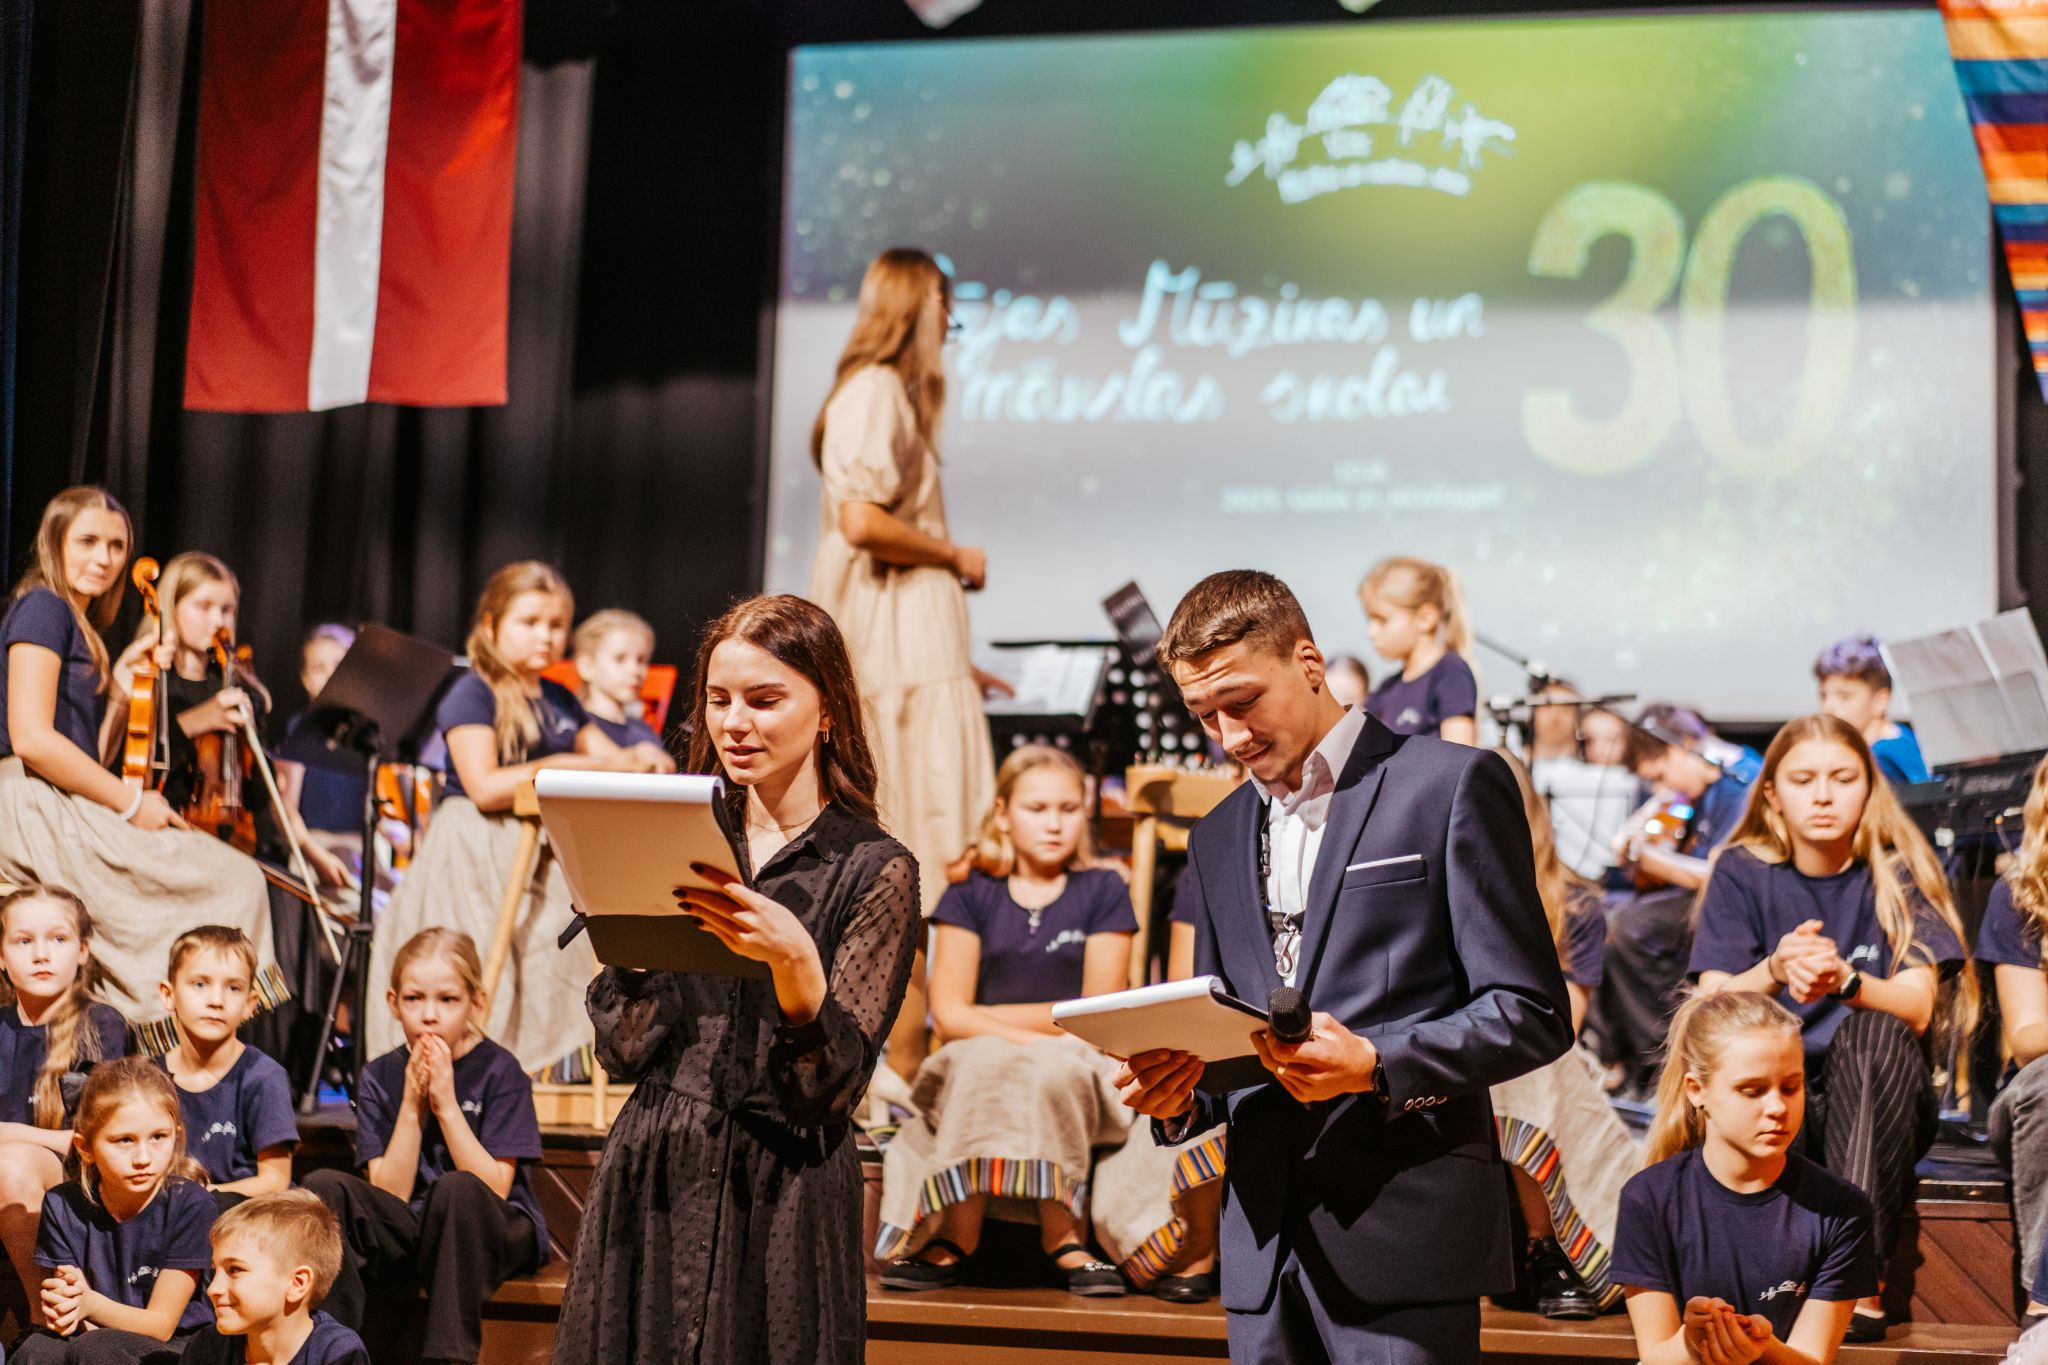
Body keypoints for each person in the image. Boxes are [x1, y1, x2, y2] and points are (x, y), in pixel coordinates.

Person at [1113, 570, 1572, 1364]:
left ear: (1309, 662)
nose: (1229, 734)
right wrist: (1179, 1095)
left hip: (1405, 1233)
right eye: (1205, 714)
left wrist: (1376, 1063)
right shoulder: (1216, 833)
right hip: (1262, 1251)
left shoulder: (1450, 784)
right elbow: (1230, 1039)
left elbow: (1532, 1010)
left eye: (1243, 700)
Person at [553, 594, 922, 1365]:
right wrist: (631, 939)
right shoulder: (675, 831)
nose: (735, 723)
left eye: (764, 699)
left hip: (785, 1189)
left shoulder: (872, 868)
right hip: (658, 1168)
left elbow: (822, 1096)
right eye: (719, 700)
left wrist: (796, 969)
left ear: (828, 710)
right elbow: (623, 1051)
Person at [1688, 714, 1974, 1342]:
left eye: (1842, 779)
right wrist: (1775, 967)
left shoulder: (1901, 871)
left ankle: (1853, 1281)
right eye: (1804, 780)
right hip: (1781, 1099)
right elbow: (1710, 1003)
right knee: (1751, 1059)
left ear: (1868, 788)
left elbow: (1918, 1007)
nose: (1823, 796)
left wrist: (1845, 981)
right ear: (1772, 794)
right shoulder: (1741, 870)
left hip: (1878, 1101)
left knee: (1872, 1033)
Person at [807, 247, 999, 1082]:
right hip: (892, 643)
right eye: (945, 305)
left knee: (920, 857)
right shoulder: (876, 390)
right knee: (910, 853)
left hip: (913, 643)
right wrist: (955, 554)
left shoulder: (886, 394)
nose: (951, 322)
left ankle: (901, 1079)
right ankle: (889, 1082)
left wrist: (959, 659)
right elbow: (860, 520)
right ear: (919, 304)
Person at [0, 487, 286, 1021]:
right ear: (54, 543)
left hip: (56, 798)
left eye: (116, 546)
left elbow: (91, 752)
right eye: (88, 541)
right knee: (235, 878)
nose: (104, 558)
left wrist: (123, 689)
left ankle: (181, 1033)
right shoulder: (43, 607)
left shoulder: (80, 624)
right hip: (28, 802)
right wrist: (131, 804)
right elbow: (31, 738)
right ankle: (180, 1031)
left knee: (234, 874)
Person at [364, 561, 660, 1076]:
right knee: (482, 956)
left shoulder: (559, 698)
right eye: (530, 622)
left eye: (556, 624)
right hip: (478, 846)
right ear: (492, 623)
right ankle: (467, 1072)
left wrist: (642, 757)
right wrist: (561, 765)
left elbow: (610, 758)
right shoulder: (474, 692)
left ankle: (530, 1072)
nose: (546, 636)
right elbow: (483, 785)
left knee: (562, 944)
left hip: (539, 848)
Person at [877, 745, 1137, 1296]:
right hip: (983, 1053)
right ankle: (959, 1235)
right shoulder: (970, 893)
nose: (1054, 823)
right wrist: (1033, 1034)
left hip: (1075, 1058)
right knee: (986, 1063)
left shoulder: (1104, 890)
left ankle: (1064, 1236)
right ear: (1002, 814)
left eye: (1068, 809)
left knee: (1049, 1069)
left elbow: (1098, 1012)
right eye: (1037, 809)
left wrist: (995, 1021)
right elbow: (949, 1015)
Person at [304, 928, 548, 1365]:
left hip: (489, 1228)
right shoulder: (380, 1074)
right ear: (393, 1003)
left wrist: (447, 1104)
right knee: (324, 1185)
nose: (429, 1015)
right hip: (415, 1223)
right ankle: (328, 1351)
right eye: (414, 999)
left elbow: (495, 1186)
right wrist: (412, 1103)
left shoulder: (500, 1069)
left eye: (447, 1000)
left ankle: (446, 1358)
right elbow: (390, 1192)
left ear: (476, 1003)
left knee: (455, 1189)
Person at [1610, 991, 1878, 1365]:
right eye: (1751, 1091)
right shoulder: (1648, 1198)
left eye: (1791, 1087)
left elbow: (1813, 1359)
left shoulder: (1841, 1209)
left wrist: (1761, 1347)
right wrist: (1691, 1341)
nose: (1777, 1107)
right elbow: (1654, 1357)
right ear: (1697, 1091)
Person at [1487, 752, 1641, 1321]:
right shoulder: (1424, 888)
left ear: (1527, 810)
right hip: (1447, 1053)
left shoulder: (1573, 902)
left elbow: (1561, 1023)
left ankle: (1547, 1246)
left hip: (1528, 1052)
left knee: (1530, 1057)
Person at [108, 553, 349, 889]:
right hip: (164, 838)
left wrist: (310, 851)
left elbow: (265, 790)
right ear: (171, 608)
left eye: (227, 610)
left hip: (237, 843)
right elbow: (128, 770)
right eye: (203, 606)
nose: (217, 621)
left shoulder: (239, 687)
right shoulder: (150, 681)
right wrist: (198, 721)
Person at [1598, 704, 1761, 1098]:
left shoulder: (1741, 783)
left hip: (1733, 906)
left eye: (1661, 776)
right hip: (1697, 899)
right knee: (1596, 915)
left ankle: (1660, 1064)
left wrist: (1650, 858)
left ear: (1679, 749)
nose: (1663, 788)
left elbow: (1720, 875)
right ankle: (1617, 1057)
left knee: (1629, 929)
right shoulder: (1701, 790)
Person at [16, 1057, 219, 1363]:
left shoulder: (191, 1205)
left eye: (159, 1137)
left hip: (177, 1345)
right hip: (96, 1335)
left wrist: (90, 1306)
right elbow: (76, 1305)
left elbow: (162, 1325)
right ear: (85, 1148)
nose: (143, 1158)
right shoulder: (62, 1205)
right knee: (37, 1350)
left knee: (98, 1347)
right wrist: (66, 1310)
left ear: (176, 1134)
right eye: (124, 1141)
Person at [1090, 866, 1227, 1304]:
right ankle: (1194, 1244)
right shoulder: (1208, 865)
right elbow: (1187, 989)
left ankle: (1206, 1245)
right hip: (1223, 1024)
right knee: (1192, 1069)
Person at [0, 886, 129, 1296]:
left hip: (79, 1177)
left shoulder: (100, 1025)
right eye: (24, 941)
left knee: (10, 1164)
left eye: (58, 939)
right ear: (1, 956)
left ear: (82, 951)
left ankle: (44, 1311)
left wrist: (10, 1134)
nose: (42, 954)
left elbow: (96, 1142)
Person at [156, 927, 298, 1206]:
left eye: (233, 988)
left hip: (243, 1214)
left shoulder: (264, 1077)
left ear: (250, 1004)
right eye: (200, 984)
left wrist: (199, 1200)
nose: (216, 1001)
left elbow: (275, 1180)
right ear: (168, 994)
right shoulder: (149, 1079)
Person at [183, 1190, 371, 1365]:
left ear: (297, 1283)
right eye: (214, 1271)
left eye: (234, 1270)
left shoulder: (337, 1353)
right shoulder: (206, 1346)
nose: (213, 1289)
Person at [1358, 555, 1478, 744]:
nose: (1371, 633)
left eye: (1382, 620)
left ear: (1426, 618)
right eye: (1370, 621)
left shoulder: (1450, 673)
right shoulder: (1386, 689)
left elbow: (1461, 756)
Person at [1814, 635, 1929, 788]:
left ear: (1880, 701)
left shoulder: (1880, 759)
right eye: (1823, 696)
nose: (1828, 707)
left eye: (1844, 696)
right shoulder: (1903, 734)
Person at [570, 609, 672, 758]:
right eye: (620, 659)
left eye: (641, 660)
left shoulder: (645, 732)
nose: (635, 670)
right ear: (586, 666)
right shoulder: (571, 725)